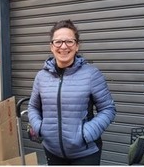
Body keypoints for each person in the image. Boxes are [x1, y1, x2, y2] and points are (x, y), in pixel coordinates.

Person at [28, 19, 116, 165]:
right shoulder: (41, 77)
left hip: (85, 153)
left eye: (69, 41)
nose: (63, 46)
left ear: (77, 46)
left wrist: (85, 133)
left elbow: (108, 109)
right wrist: (40, 128)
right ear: (51, 46)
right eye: (58, 42)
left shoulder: (91, 74)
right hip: (52, 151)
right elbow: (33, 107)